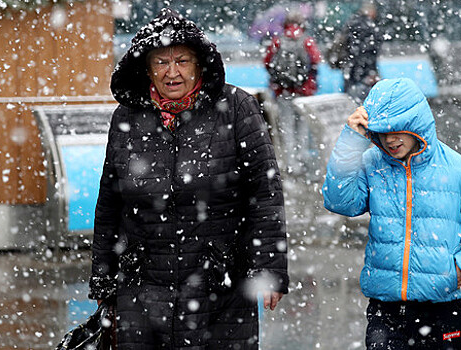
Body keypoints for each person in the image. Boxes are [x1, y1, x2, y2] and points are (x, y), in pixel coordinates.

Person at [88, 8, 289, 349]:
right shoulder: (127, 117)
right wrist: (104, 277)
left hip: (220, 282)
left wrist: (268, 268)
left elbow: (265, 193)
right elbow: (110, 201)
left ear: (200, 63)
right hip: (142, 284)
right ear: (146, 69)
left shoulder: (238, 107)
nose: (172, 73)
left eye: (182, 60)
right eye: (160, 62)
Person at [322, 78, 461, 349]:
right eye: (382, 131)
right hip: (386, 312)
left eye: (398, 129)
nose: (389, 139)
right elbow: (341, 202)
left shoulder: (456, 168)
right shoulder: (371, 165)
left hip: (443, 309)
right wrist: (351, 142)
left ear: (417, 124)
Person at [263, 11, 322, 173]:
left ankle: (291, 164)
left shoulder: (278, 41)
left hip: (283, 92)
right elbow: (316, 61)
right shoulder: (307, 41)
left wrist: (280, 83)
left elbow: (267, 62)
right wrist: (307, 83)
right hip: (304, 93)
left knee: (286, 128)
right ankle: (303, 160)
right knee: (302, 128)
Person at [327, 1, 382, 103]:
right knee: (364, 109)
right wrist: (371, 73)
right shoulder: (369, 27)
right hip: (363, 77)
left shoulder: (351, 23)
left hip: (349, 74)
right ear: (371, 11)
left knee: (352, 108)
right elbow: (367, 54)